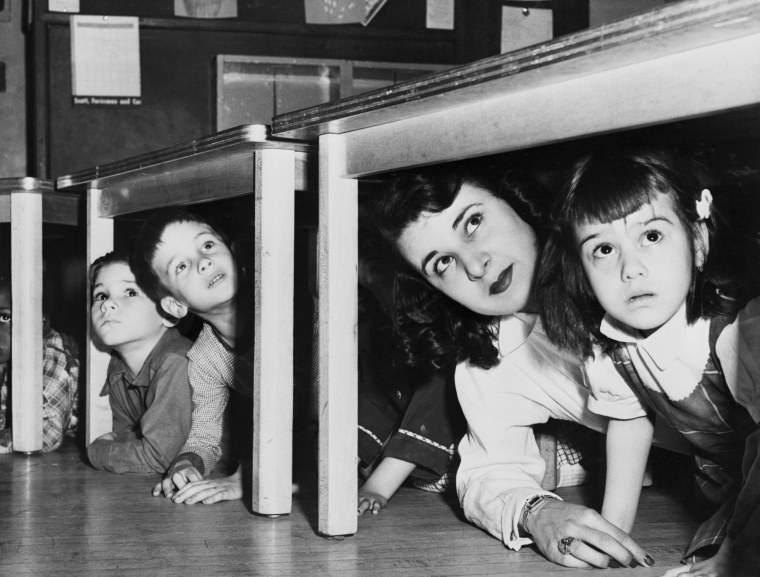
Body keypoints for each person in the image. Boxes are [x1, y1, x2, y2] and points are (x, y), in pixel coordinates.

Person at [371, 160, 656, 569]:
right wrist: (538, 513)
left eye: (472, 223)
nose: (474, 265)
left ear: (516, 199)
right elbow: (488, 472)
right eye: (443, 264)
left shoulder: (628, 263)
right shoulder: (493, 357)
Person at [538, 148, 760, 577]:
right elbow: (630, 423)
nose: (630, 269)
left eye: (652, 236)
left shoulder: (742, 330)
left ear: (698, 242)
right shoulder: (612, 349)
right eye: (603, 249)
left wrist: (739, 551)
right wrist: (612, 531)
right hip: (731, 488)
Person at [131, 209, 253, 504]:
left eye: (208, 245)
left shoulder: (290, 310)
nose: (204, 262)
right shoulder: (205, 356)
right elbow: (204, 435)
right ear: (174, 306)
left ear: (235, 254)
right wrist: (187, 463)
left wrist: (250, 476)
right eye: (182, 266)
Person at [356, 252, 466, 515]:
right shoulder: (375, 324)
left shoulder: (440, 321)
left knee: (440, 372)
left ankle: (383, 478)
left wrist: (377, 487)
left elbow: (438, 403)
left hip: (452, 438)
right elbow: (373, 400)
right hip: (404, 434)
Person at [86, 251, 193, 474]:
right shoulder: (118, 369)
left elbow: (157, 457)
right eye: (101, 295)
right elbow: (126, 439)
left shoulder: (178, 361)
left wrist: (96, 452)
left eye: (131, 292)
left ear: (169, 313)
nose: (107, 305)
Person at [0, 274, 79, 454]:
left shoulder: (53, 353)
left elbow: (45, 433)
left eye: (5, 318)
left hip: (69, 457)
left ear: (41, 322)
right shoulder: (6, 354)